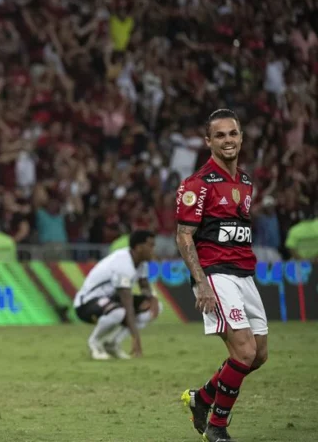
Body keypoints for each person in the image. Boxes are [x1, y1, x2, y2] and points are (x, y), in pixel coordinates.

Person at [176, 109, 267, 442]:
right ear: (208, 141)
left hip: (244, 273)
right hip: (215, 274)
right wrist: (201, 283)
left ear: (241, 138)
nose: (228, 140)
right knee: (243, 352)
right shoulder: (197, 184)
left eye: (233, 134)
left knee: (258, 355)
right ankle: (217, 426)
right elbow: (184, 235)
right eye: (220, 135)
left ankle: (201, 398)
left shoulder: (245, 181)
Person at [73, 230, 160, 360]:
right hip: (86, 303)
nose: (154, 250)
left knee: (151, 308)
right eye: (151, 245)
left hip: (110, 300)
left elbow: (144, 286)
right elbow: (127, 304)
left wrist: (153, 298)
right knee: (119, 312)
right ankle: (94, 343)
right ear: (139, 247)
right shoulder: (122, 264)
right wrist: (135, 337)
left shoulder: (141, 263)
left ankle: (112, 343)